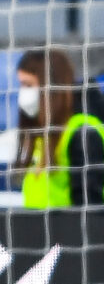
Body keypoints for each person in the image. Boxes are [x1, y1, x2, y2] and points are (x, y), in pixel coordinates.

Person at [14, 48, 104, 207]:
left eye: (28, 85)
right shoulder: (43, 132)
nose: (23, 93)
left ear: (50, 86)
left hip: (66, 223)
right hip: (36, 222)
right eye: (21, 84)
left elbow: (89, 207)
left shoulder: (83, 133)